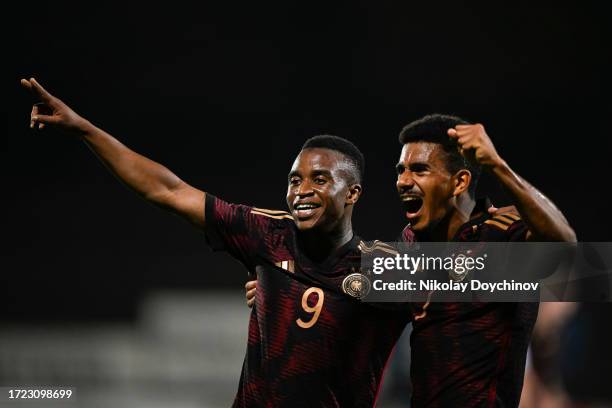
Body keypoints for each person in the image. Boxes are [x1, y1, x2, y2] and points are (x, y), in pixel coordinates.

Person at [21, 77, 411, 407]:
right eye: (295, 180)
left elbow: (469, 278)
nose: (302, 191)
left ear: (353, 192)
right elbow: (167, 190)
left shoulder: (379, 270)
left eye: (319, 179)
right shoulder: (268, 234)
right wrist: (85, 128)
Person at [248, 114, 576, 407]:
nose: (403, 181)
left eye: (419, 169)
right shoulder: (411, 245)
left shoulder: (502, 233)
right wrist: (278, 286)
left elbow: (565, 247)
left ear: (459, 182)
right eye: (401, 170)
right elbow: (346, 284)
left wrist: (496, 164)